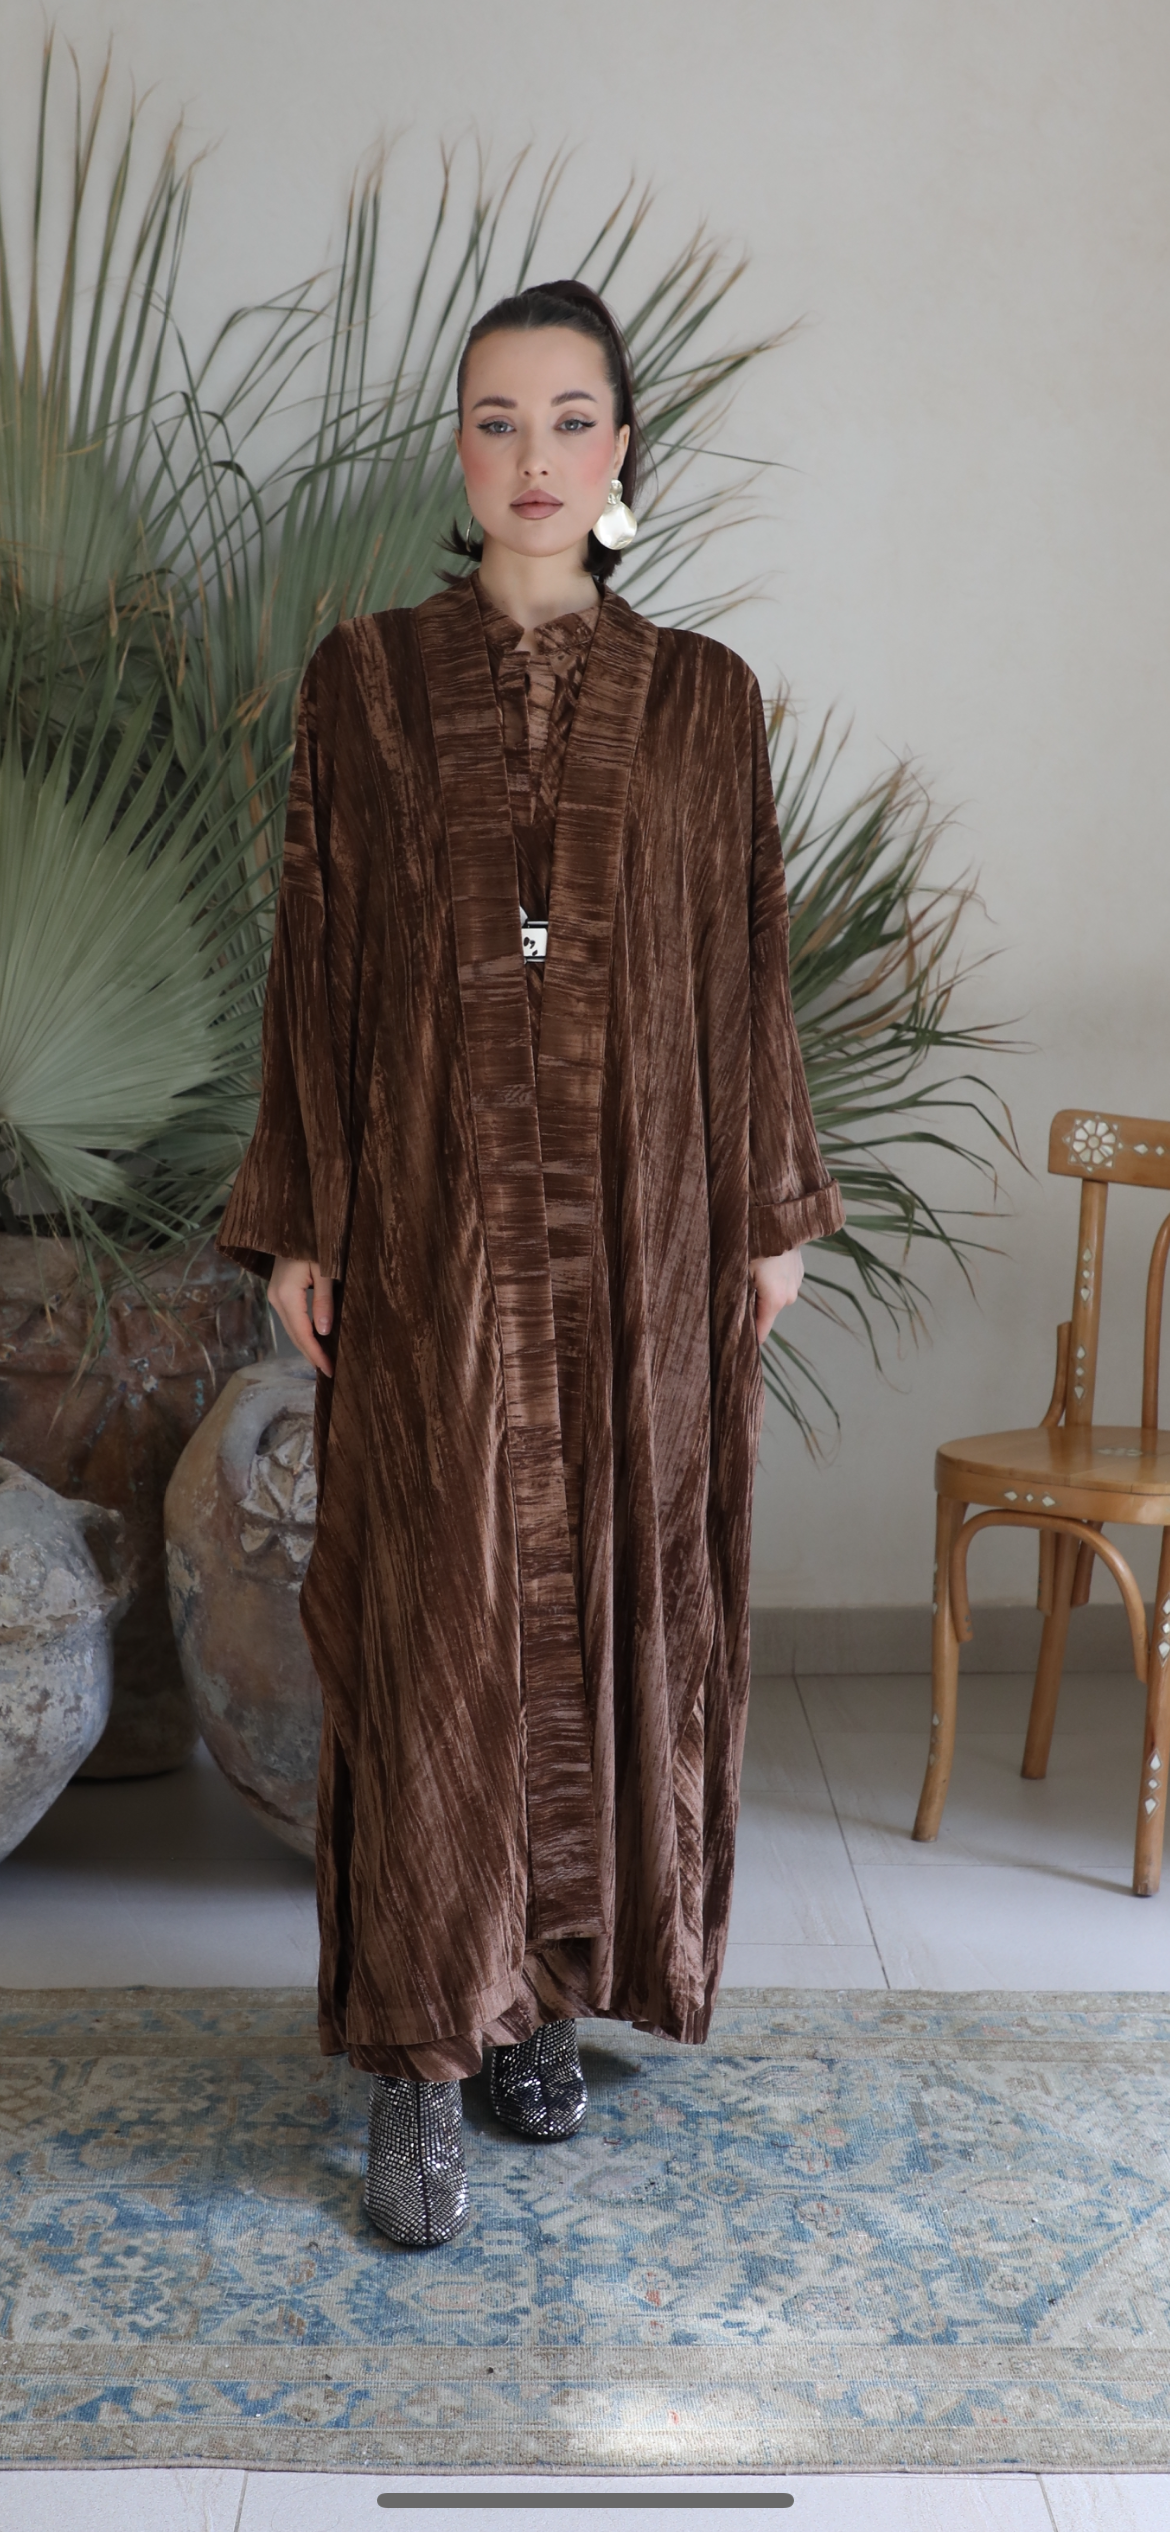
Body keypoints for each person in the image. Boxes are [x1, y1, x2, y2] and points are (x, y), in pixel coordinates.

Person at [217, 278, 843, 2249]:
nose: (534, 458)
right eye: (497, 421)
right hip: (429, 1223)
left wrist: (763, 1212)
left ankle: (535, 2002)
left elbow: (745, 965)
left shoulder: (706, 701)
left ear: (622, 448)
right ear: (460, 451)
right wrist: (302, 1218)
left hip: (642, 1235)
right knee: (436, 1623)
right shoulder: (365, 686)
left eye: (571, 420)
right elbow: (317, 957)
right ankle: (418, 2060)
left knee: (602, 1608)